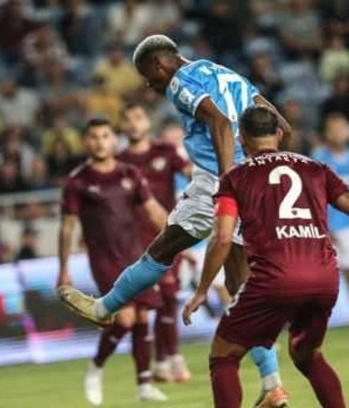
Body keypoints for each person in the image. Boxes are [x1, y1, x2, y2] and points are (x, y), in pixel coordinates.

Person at [58, 34, 292, 407]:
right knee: (238, 282)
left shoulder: (180, 82)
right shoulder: (221, 72)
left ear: (159, 64)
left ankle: (105, 307)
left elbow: (218, 122)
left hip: (218, 179)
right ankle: (273, 385)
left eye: (148, 77)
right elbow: (280, 125)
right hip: (255, 179)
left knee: (164, 246)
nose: (150, 86)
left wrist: (228, 181)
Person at [182, 105, 349, 408]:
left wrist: (202, 290)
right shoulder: (316, 168)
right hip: (324, 279)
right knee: (307, 354)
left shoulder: (234, 178)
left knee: (223, 355)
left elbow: (222, 238)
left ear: (241, 138)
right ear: (279, 133)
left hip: (273, 279)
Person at [56, 118, 170, 405]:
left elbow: (154, 210)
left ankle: (144, 384)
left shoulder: (130, 173)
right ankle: (95, 367)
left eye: (105, 136)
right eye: (94, 137)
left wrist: (178, 238)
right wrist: (64, 269)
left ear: (114, 140)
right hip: (104, 258)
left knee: (143, 316)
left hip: (135, 253)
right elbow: (67, 227)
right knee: (125, 316)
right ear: (86, 142)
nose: (99, 142)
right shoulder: (78, 181)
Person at [117, 103, 192, 383]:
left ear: (147, 122)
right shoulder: (120, 160)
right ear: (123, 126)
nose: (133, 124)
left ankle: (166, 359)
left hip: (167, 234)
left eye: (138, 117)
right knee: (153, 302)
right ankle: (166, 360)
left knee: (169, 297)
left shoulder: (165, 151)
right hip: (134, 241)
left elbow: (190, 173)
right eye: (128, 119)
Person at [313, 114, 349, 336]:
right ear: (328, 133)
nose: (340, 133)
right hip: (327, 226)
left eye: (343, 129)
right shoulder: (319, 158)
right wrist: (323, 227)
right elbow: (314, 196)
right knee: (320, 281)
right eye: (336, 129)